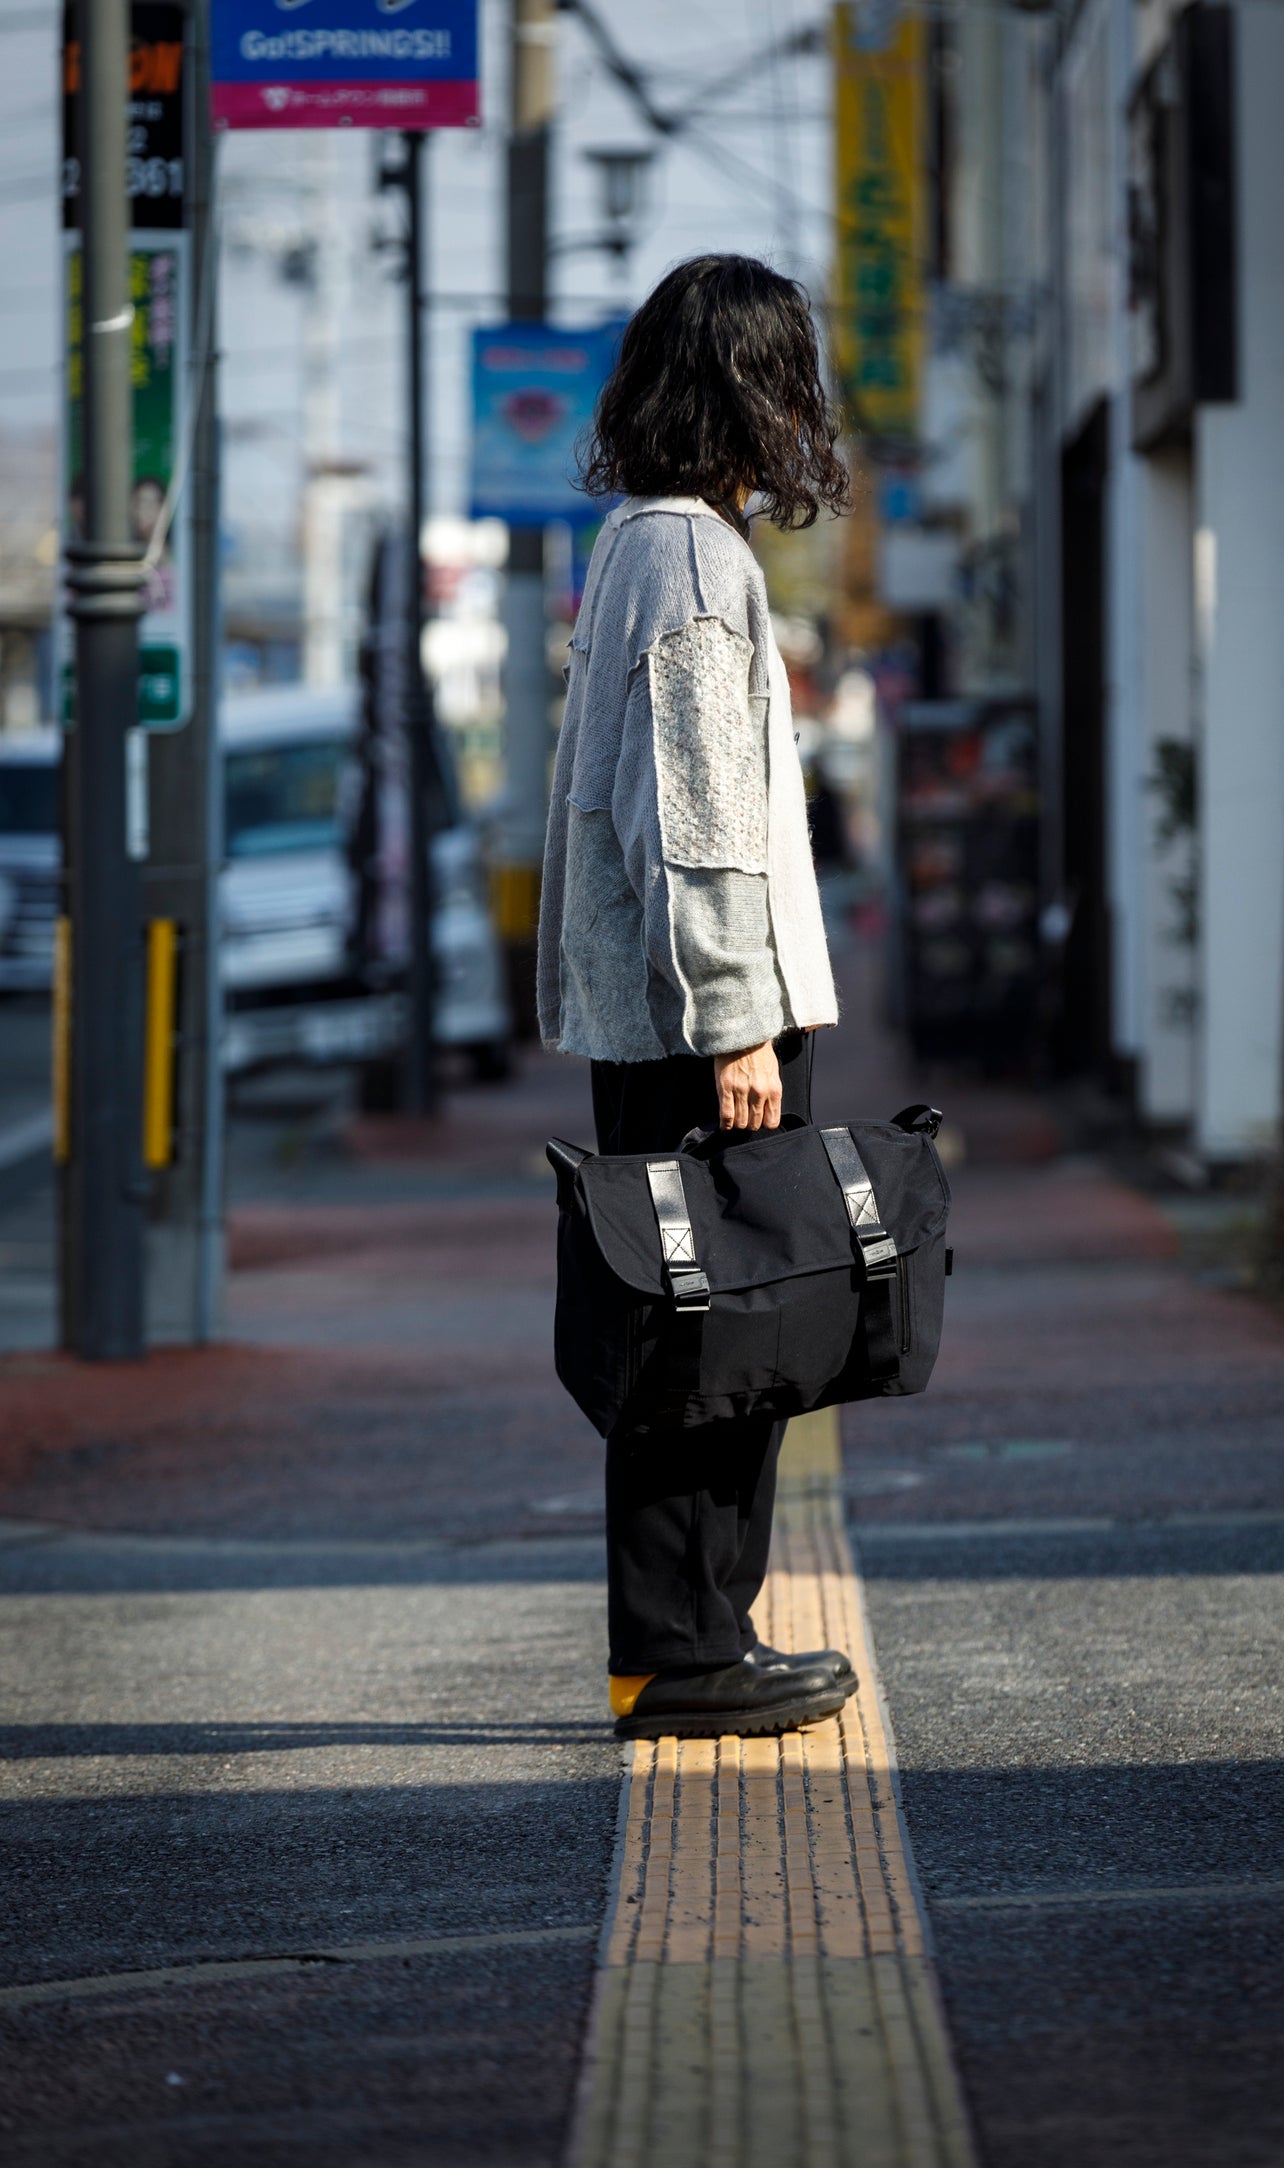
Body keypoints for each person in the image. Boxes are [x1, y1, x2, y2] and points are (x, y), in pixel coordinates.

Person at [538, 255, 855, 1742]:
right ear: (748, 384)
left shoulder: (642, 542)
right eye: (788, 372)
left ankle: (695, 1638)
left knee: (711, 1327)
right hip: (698, 1018)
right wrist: (734, 1010)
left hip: (665, 1009)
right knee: (714, 1333)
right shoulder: (684, 556)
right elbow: (695, 807)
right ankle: (681, 1652)